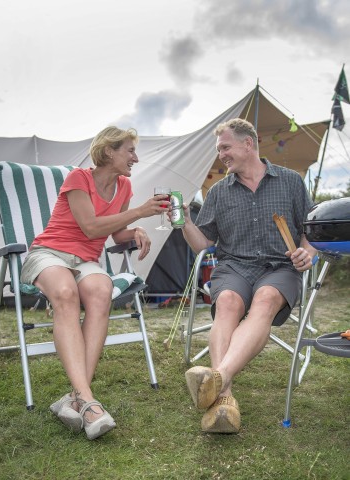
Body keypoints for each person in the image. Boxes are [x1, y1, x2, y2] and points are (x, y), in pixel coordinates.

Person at [20, 126, 169, 440]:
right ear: (109, 151)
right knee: (65, 293)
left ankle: (77, 399)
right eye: (129, 150)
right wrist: (141, 212)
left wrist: (134, 231)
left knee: (101, 292)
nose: (135, 158)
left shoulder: (124, 186)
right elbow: (89, 227)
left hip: (86, 260)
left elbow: (115, 234)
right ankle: (87, 402)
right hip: (51, 253)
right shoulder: (79, 178)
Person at [179, 118, 317, 434]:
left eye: (225, 147)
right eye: (219, 150)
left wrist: (307, 252)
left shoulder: (290, 181)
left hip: (281, 267)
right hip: (234, 267)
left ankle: (217, 380)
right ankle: (223, 395)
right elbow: (203, 244)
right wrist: (185, 221)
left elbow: (310, 231)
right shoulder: (218, 191)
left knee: (266, 299)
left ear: (248, 144)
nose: (221, 155)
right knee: (227, 301)